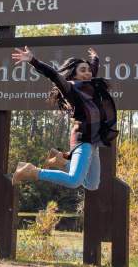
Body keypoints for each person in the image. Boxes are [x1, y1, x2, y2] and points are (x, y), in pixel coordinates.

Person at [11, 46, 110, 191]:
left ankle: (61, 161)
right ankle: (31, 171)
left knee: (92, 184)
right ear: (74, 75)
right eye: (83, 70)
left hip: (94, 140)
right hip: (83, 139)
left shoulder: (89, 87)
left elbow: (91, 72)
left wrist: (95, 59)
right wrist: (33, 60)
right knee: (74, 181)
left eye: (89, 70)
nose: (88, 73)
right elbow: (53, 75)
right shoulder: (71, 89)